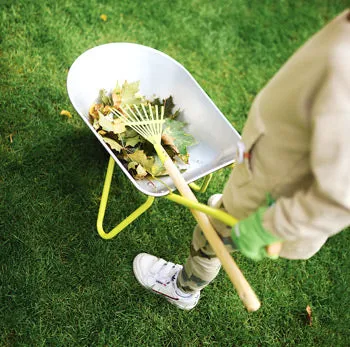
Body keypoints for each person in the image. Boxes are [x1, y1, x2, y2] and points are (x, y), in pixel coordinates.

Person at [133, 9, 350, 310]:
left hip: (271, 200)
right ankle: (230, 210)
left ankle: (183, 289)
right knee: (222, 217)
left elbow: (341, 196)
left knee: (210, 239)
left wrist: (270, 226)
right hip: (270, 166)